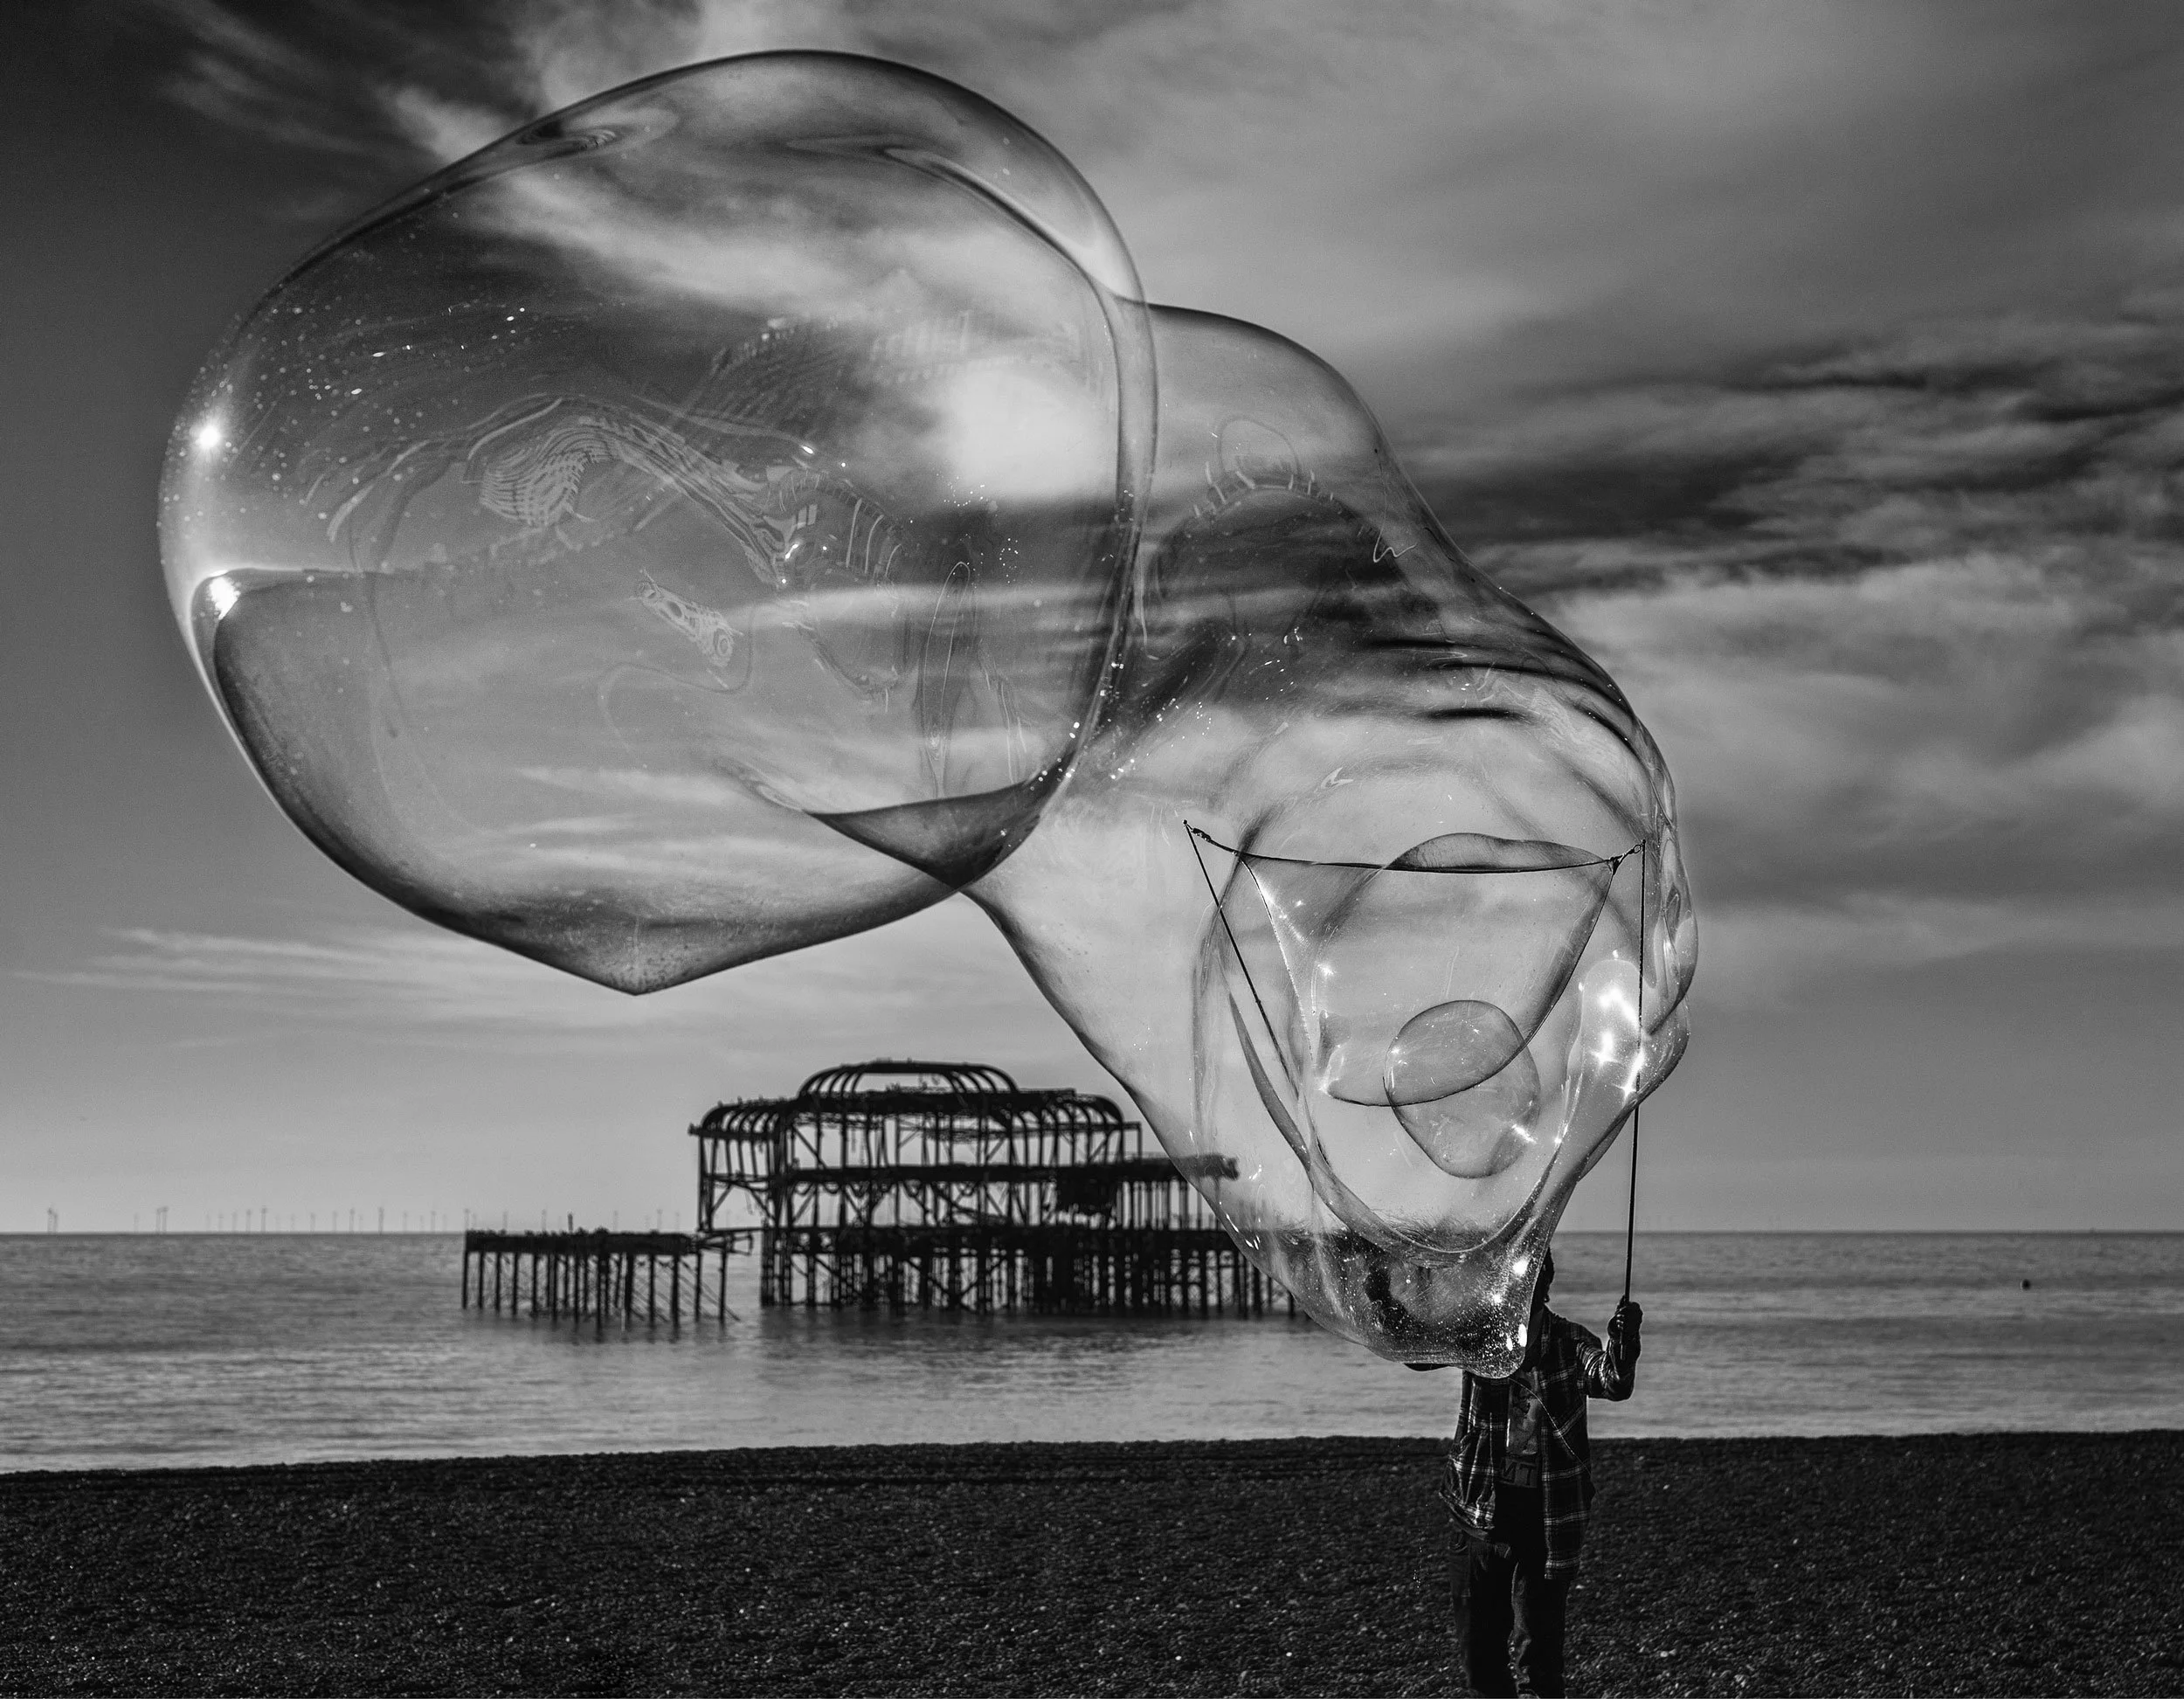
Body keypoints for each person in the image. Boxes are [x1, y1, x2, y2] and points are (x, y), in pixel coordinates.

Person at [1412, 1249, 1641, 1697]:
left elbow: (1613, 1381)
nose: (1516, 1294)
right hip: (1479, 1513)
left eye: (1528, 1286)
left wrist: (1624, 1340)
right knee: (1480, 1661)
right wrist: (1385, 1300)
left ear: (1543, 1290)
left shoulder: (1571, 1343)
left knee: (1540, 1662)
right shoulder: (1482, 1338)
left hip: (1548, 1518)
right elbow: (1419, 1355)